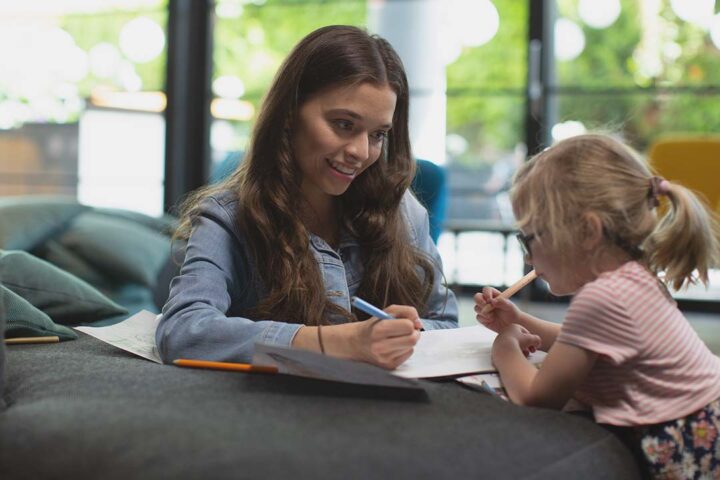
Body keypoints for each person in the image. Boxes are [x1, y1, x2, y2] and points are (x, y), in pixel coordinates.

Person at [158, 25, 457, 370]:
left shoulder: (404, 213)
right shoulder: (227, 218)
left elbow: (447, 325)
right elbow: (182, 332)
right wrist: (338, 342)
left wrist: (405, 334)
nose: (361, 152)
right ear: (288, 113)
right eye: (344, 124)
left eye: (377, 135)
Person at [474, 134, 720, 478]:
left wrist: (505, 348)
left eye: (531, 237)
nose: (528, 255)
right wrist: (518, 321)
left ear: (588, 231)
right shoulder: (634, 277)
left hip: (691, 440)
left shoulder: (601, 298)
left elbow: (536, 399)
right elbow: (584, 342)